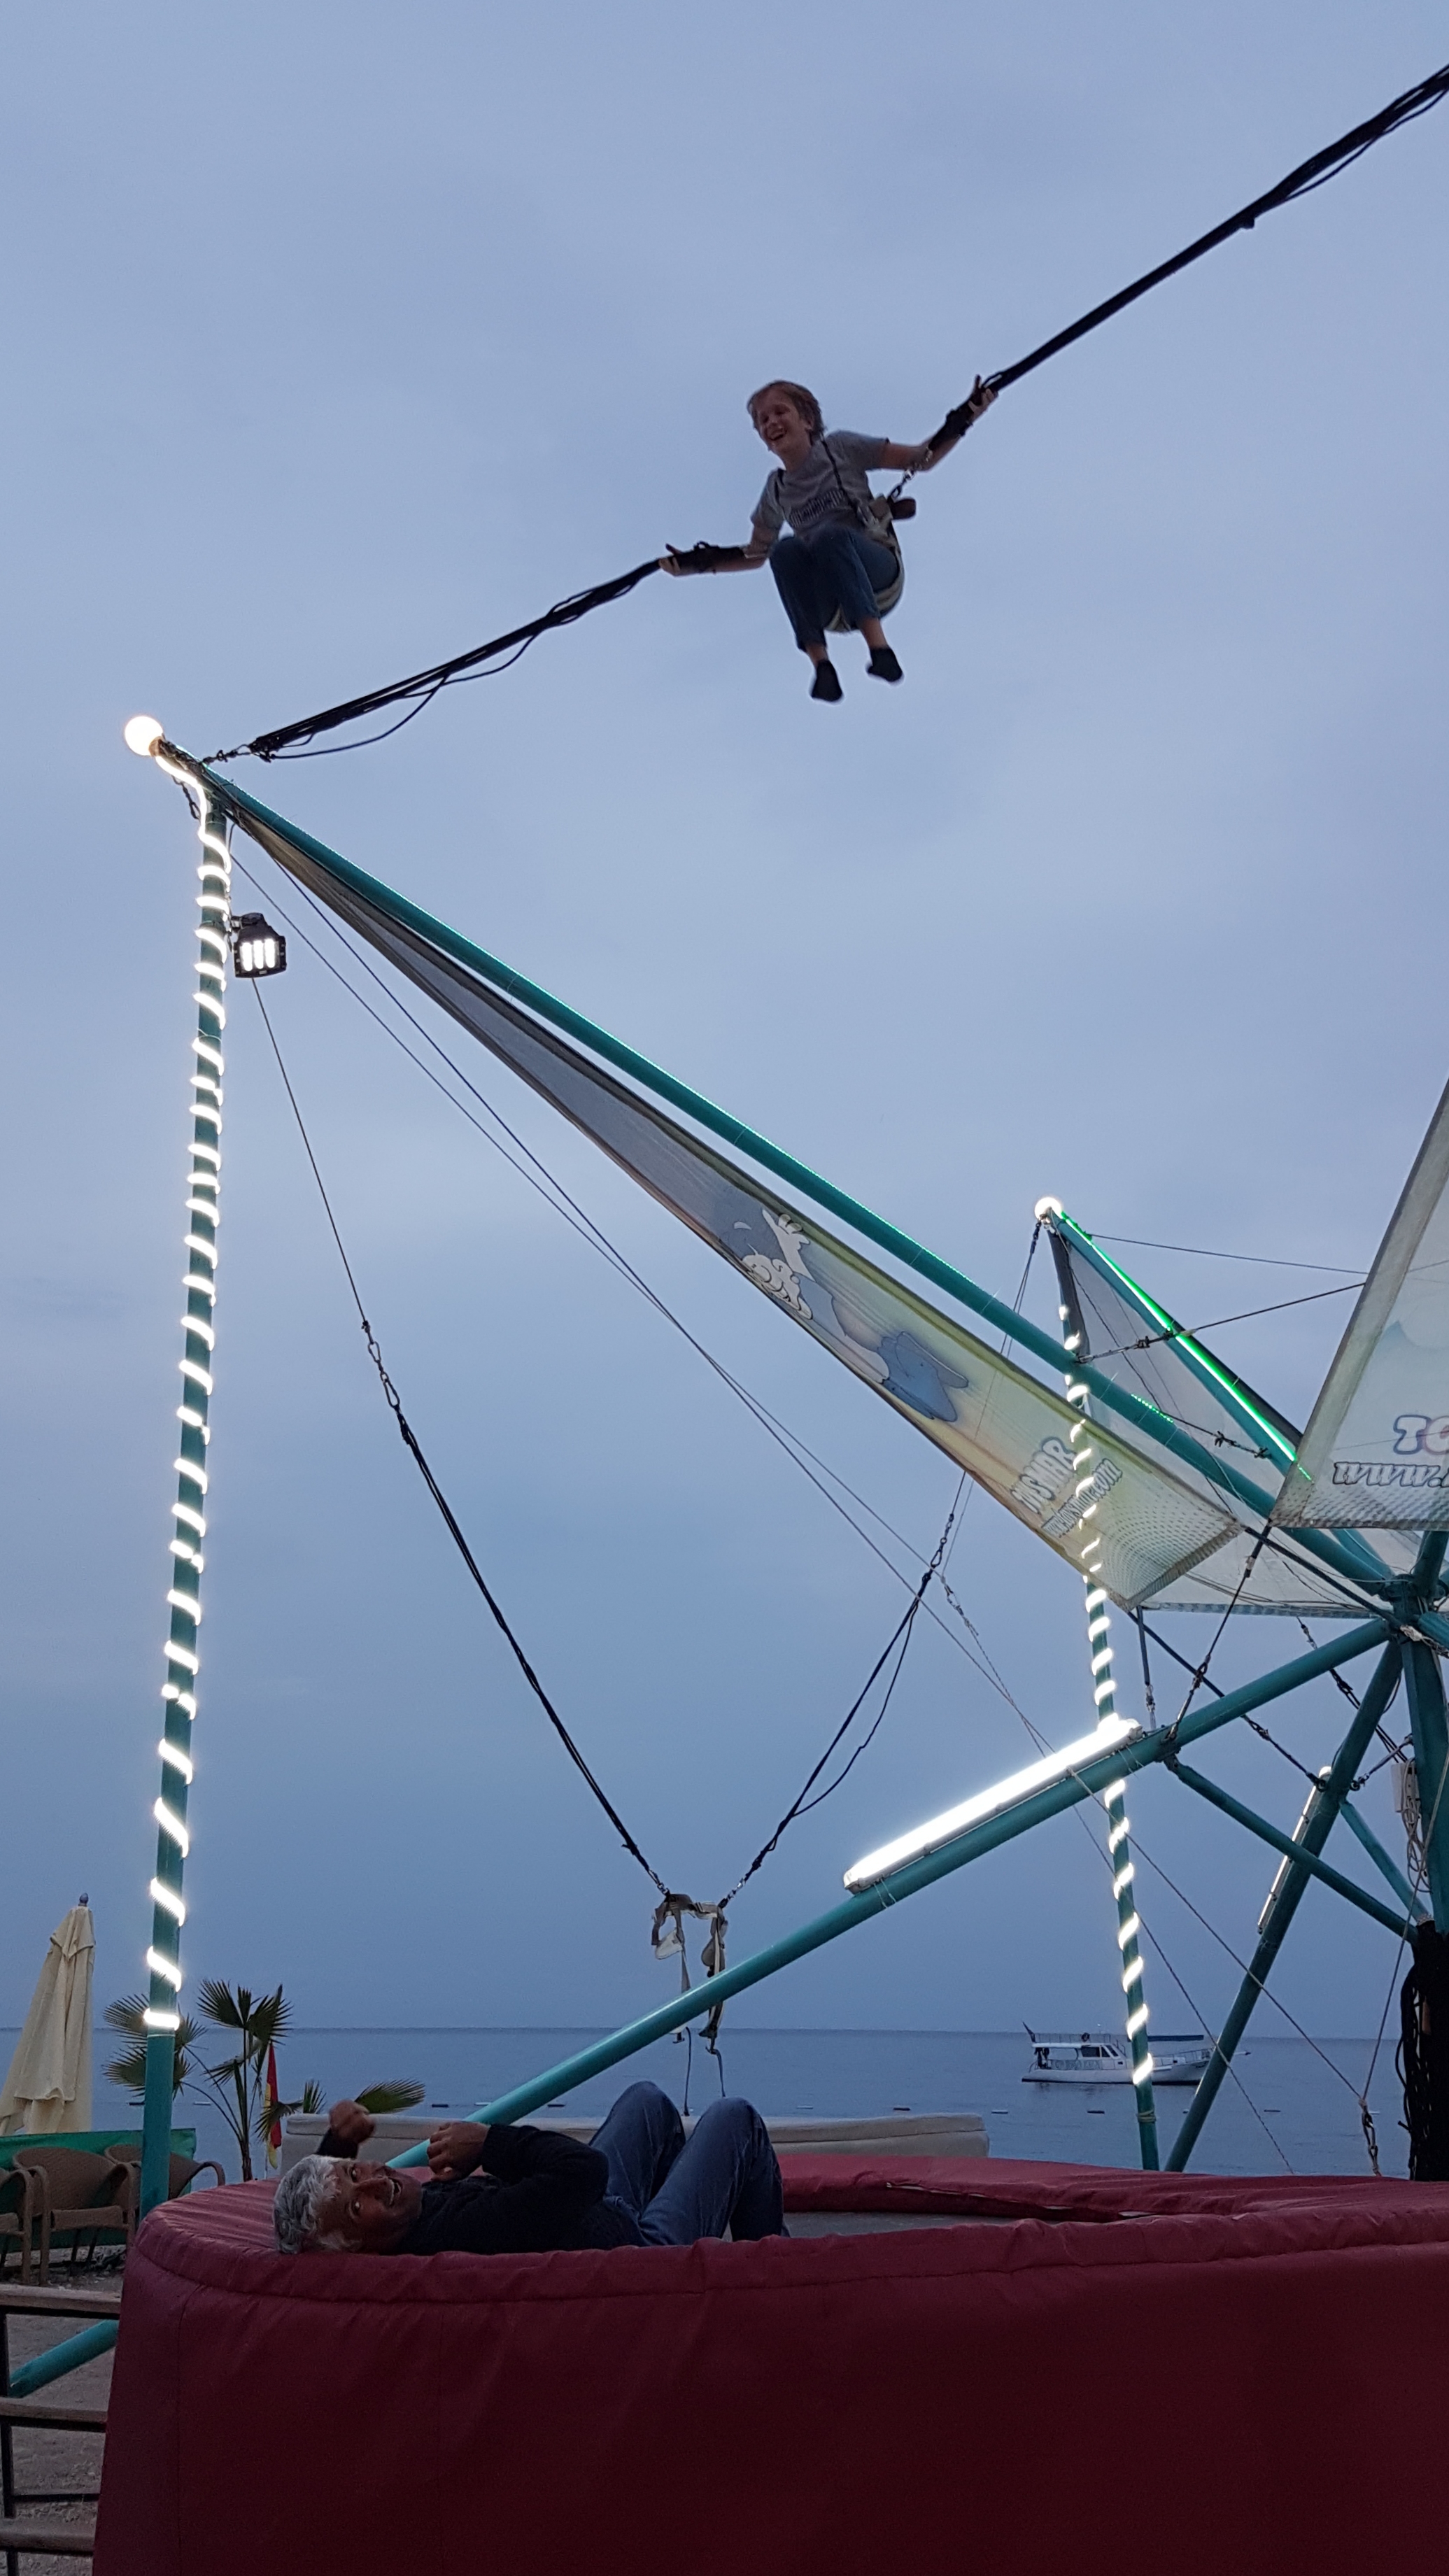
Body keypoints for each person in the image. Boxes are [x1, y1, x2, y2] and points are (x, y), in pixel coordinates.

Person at [664, 375, 996, 702]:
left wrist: (965, 416)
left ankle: (880, 650)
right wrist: (697, 564)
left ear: (807, 420)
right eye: (763, 421)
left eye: (780, 412)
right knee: (784, 550)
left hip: (877, 576)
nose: (772, 423)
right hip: (832, 606)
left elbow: (919, 459)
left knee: (828, 536)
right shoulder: (776, 490)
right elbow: (756, 554)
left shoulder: (840, 449)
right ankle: (821, 666)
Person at [272, 2079, 785, 2257]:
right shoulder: (463, 2230)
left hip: (594, 2213)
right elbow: (584, 2172)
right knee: (734, 2119)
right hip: (636, 2248)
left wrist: (339, 2142)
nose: (375, 2180)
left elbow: (325, 2216)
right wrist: (489, 2142)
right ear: (355, 2248)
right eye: (356, 2205)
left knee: (646, 2101)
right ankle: (778, 2277)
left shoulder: (395, 2227)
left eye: (355, 2172)